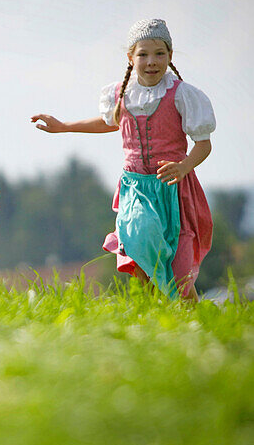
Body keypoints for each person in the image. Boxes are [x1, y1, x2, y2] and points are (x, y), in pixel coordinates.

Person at [31, 19, 214, 299]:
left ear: (170, 56)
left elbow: (203, 144)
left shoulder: (182, 95)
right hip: (137, 188)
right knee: (140, 240)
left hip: (174, 190)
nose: (151, 61)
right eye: (143, 54)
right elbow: (109, 122)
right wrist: (64, 126)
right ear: (131, 57)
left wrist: (184, 166)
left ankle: (191, 320)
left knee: (179, 273)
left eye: (159, 54)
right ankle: (152, 310)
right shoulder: (121, 94)